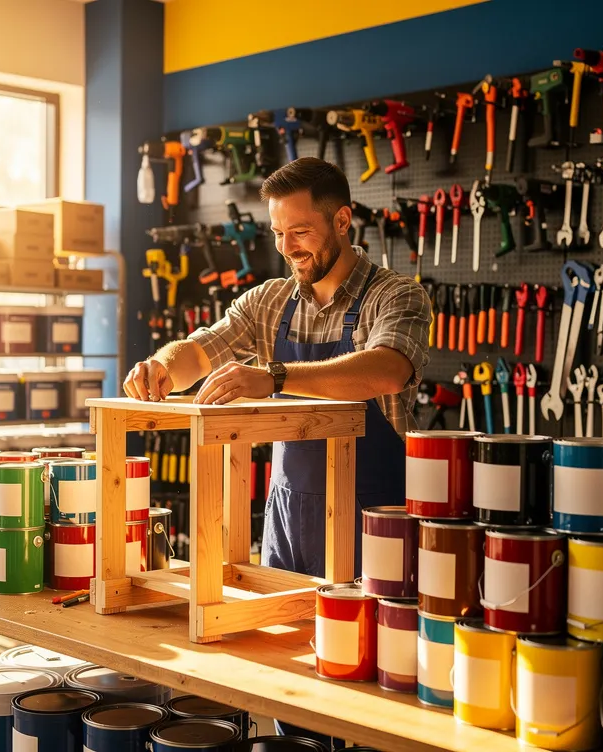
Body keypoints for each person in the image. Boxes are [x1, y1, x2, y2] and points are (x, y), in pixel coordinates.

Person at [123, 157, 432, 744]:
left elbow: (387, 370)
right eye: (278, 233)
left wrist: (277, 375)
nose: (288, 247)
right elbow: (201, 349)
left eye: (301, 231)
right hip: (290, 519)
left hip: (377, 521)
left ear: (343, 221)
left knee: (371, 687)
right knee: (288, 681)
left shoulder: (394, 296)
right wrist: (161, 366)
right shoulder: (269, 302)